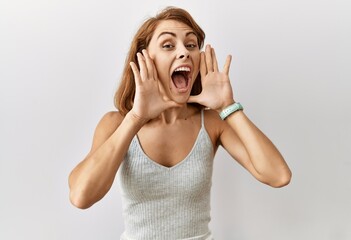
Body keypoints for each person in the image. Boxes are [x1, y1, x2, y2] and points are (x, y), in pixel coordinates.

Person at [68, 6, 292, 240]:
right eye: (168, 45)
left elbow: (279, 175)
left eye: (191, 45)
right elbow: (81, 196)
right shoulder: (116, 123)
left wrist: (228, 106)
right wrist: (136, 118)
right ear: (145, 58)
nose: (184, 52)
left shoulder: (212, 122)